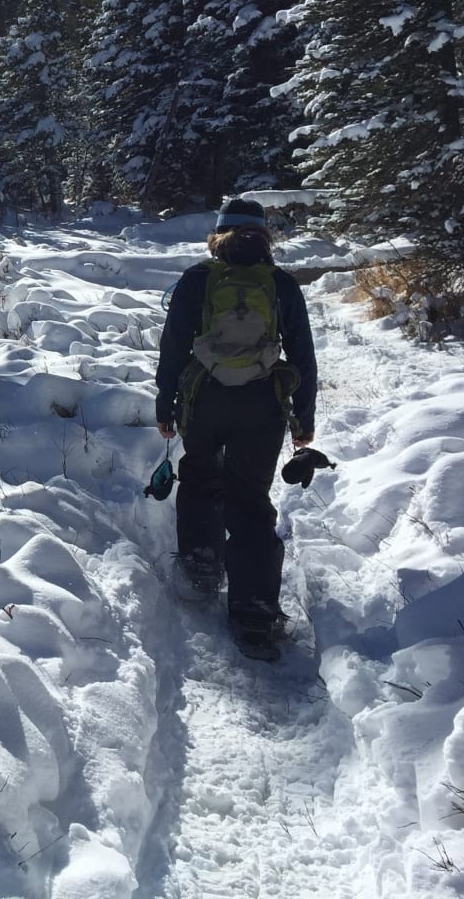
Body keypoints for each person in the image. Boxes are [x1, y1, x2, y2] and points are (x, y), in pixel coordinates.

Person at [154, 197, 318, 659]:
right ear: (264, 236)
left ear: (218, 235)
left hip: (203, 400)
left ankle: (201, 565)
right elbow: (303, 355)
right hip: (261, 404)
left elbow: (173, 348)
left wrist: (165, 404)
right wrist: (304, 417)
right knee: (249, 498)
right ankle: (255, 611)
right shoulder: (281, 284)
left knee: (201, 476)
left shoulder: (198, 279)